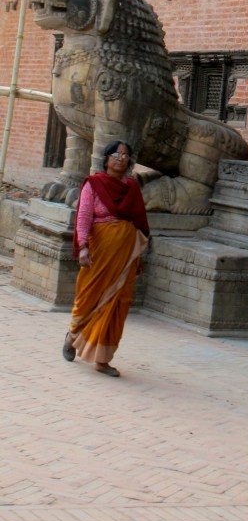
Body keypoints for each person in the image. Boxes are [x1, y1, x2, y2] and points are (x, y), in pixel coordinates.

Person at [62, 140, 150, 377]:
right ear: (106, 158)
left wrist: (137, 257)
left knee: (117, 304)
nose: (121, 158)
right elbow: (83, 218)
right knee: (89, 298)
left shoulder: (132, 187)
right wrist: (83, 248)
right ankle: (72, 336)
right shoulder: (94, 184)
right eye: (116, 154)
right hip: (99, 254)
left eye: (125, 155)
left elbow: (140, 224)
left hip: (126, 255)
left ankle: (102, 359)